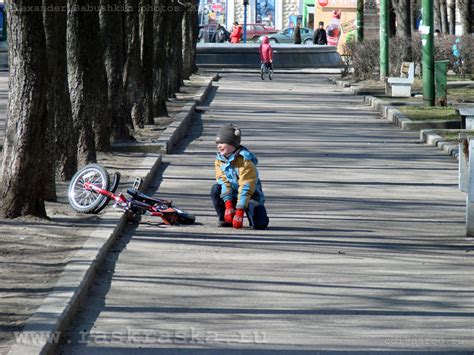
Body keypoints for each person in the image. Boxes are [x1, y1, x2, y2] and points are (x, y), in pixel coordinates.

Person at [211, 124, 269, 230]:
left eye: (223, 142)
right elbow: (223, 181)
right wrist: (228, 205)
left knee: (260, 225)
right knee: (216, 188)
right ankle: (225, 218)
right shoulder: (219, 159)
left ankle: (254, 214)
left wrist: (240, 211)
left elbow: (246, 187)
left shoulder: (245, 161)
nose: (219, 145)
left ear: (233, 144)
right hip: (232, 195)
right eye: (218, 143)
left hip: (250, 196)